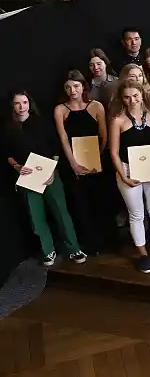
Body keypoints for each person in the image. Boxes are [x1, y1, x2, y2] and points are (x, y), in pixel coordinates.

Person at [7, 90, 85, 266]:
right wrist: (17, 166)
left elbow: (55, 149)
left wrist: (52, 170)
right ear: (12, 105)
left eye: (24, 102)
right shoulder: (9, 128)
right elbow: (7, 154)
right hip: (26, 177)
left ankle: (74, 249)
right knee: (36, 217)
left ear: (30, 104)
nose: (21, 107)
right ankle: (48, 251)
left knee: (61, 213)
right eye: (17, 103)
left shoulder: (42, 123)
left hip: (49, 174)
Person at [108, 80, 150, 273]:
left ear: (142, 95)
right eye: (127, 97)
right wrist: (123, 176)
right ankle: (142, 253)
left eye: (135, 95)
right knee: (136, 214)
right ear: (122, 99)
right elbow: (114, 152)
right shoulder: (118, 120)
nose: (132, 100)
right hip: (128, 170)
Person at [53, 72, 109, 256]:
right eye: (68, 87)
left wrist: (97, 158)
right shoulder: (60, 110)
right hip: (73, 165)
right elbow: (63, 140)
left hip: (97, 163)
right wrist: (74, 165)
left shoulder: (96, 106)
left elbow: (104, 135)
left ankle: (103, 241)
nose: (72, 90)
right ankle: (88, 242)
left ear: (83, 86)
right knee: (79, 204)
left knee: (99, 202)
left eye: (76, 86)